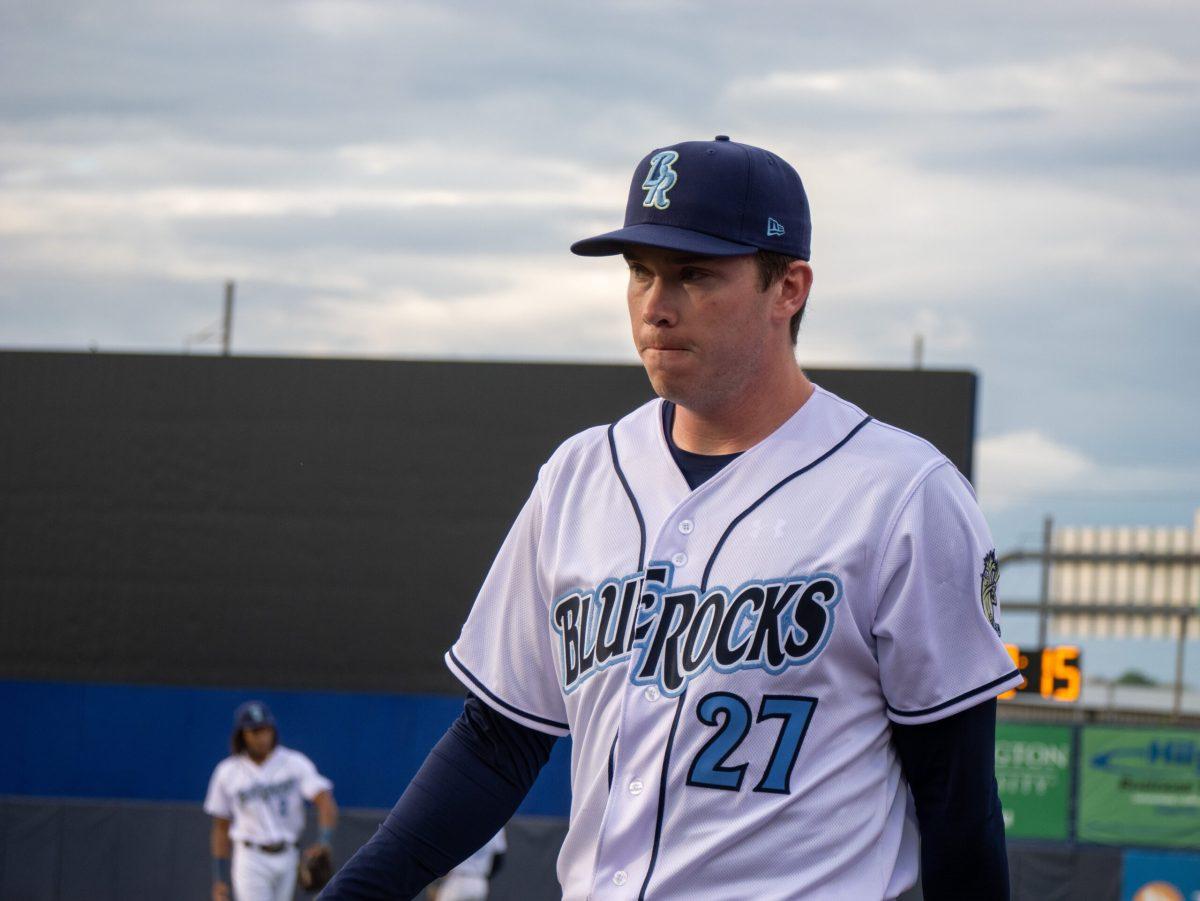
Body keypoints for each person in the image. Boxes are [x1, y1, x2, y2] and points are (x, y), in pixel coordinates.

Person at [320, 136, 1021, 900]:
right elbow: (498, 743)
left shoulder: (902, 493)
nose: (656, 305)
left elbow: (956, 797)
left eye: (694, 274)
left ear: (788, 287)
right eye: (641, 271)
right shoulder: (579, 477)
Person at [206, 700, 339, 901]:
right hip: (251, 857)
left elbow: (324, 801)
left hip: (288, 854)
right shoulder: (227, 772)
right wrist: (220, 879)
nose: (262, 737)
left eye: (266, 729)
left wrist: (324, 841)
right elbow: (220, 827)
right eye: (255, 731)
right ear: (242, 734)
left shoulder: (294, 763)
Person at [432, 828, 506, 901]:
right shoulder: (497, 826)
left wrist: (436, 884)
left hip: (458, 880)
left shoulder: (462, 819)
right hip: (479, 883)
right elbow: (498, 859)